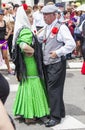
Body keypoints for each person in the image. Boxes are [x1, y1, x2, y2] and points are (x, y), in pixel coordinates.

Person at [37, 4, 76, 127]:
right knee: (54, 89)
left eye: (47, 15)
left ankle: (55, 117)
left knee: (53, 89)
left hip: (56, 63)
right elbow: (41, 39)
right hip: (48, 63)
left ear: (54, 15)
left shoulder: (61, 28)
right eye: (43, 15)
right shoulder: (47, 27)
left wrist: (58, 53)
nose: (44, 17)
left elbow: (71, 44)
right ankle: (60, 111)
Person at [12, 5, 49, 124]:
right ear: (25, 17)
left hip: (26, 64)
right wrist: (33, 51)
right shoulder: (26, 30)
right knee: (33, 84)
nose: (32, 18)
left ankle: (27, 113)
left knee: (27, 85)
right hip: (30, 64)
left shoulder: (21, 29)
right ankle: (30, 115)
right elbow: (23, 45)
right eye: (30, 16)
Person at [0, 8, 14, 74]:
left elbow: (11, 29)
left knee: (5, 56)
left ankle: (9, 68)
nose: (1, 16)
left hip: (3, 41)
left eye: (2, 15)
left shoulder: (5, 21)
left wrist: (7, 36)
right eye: (0, 15)